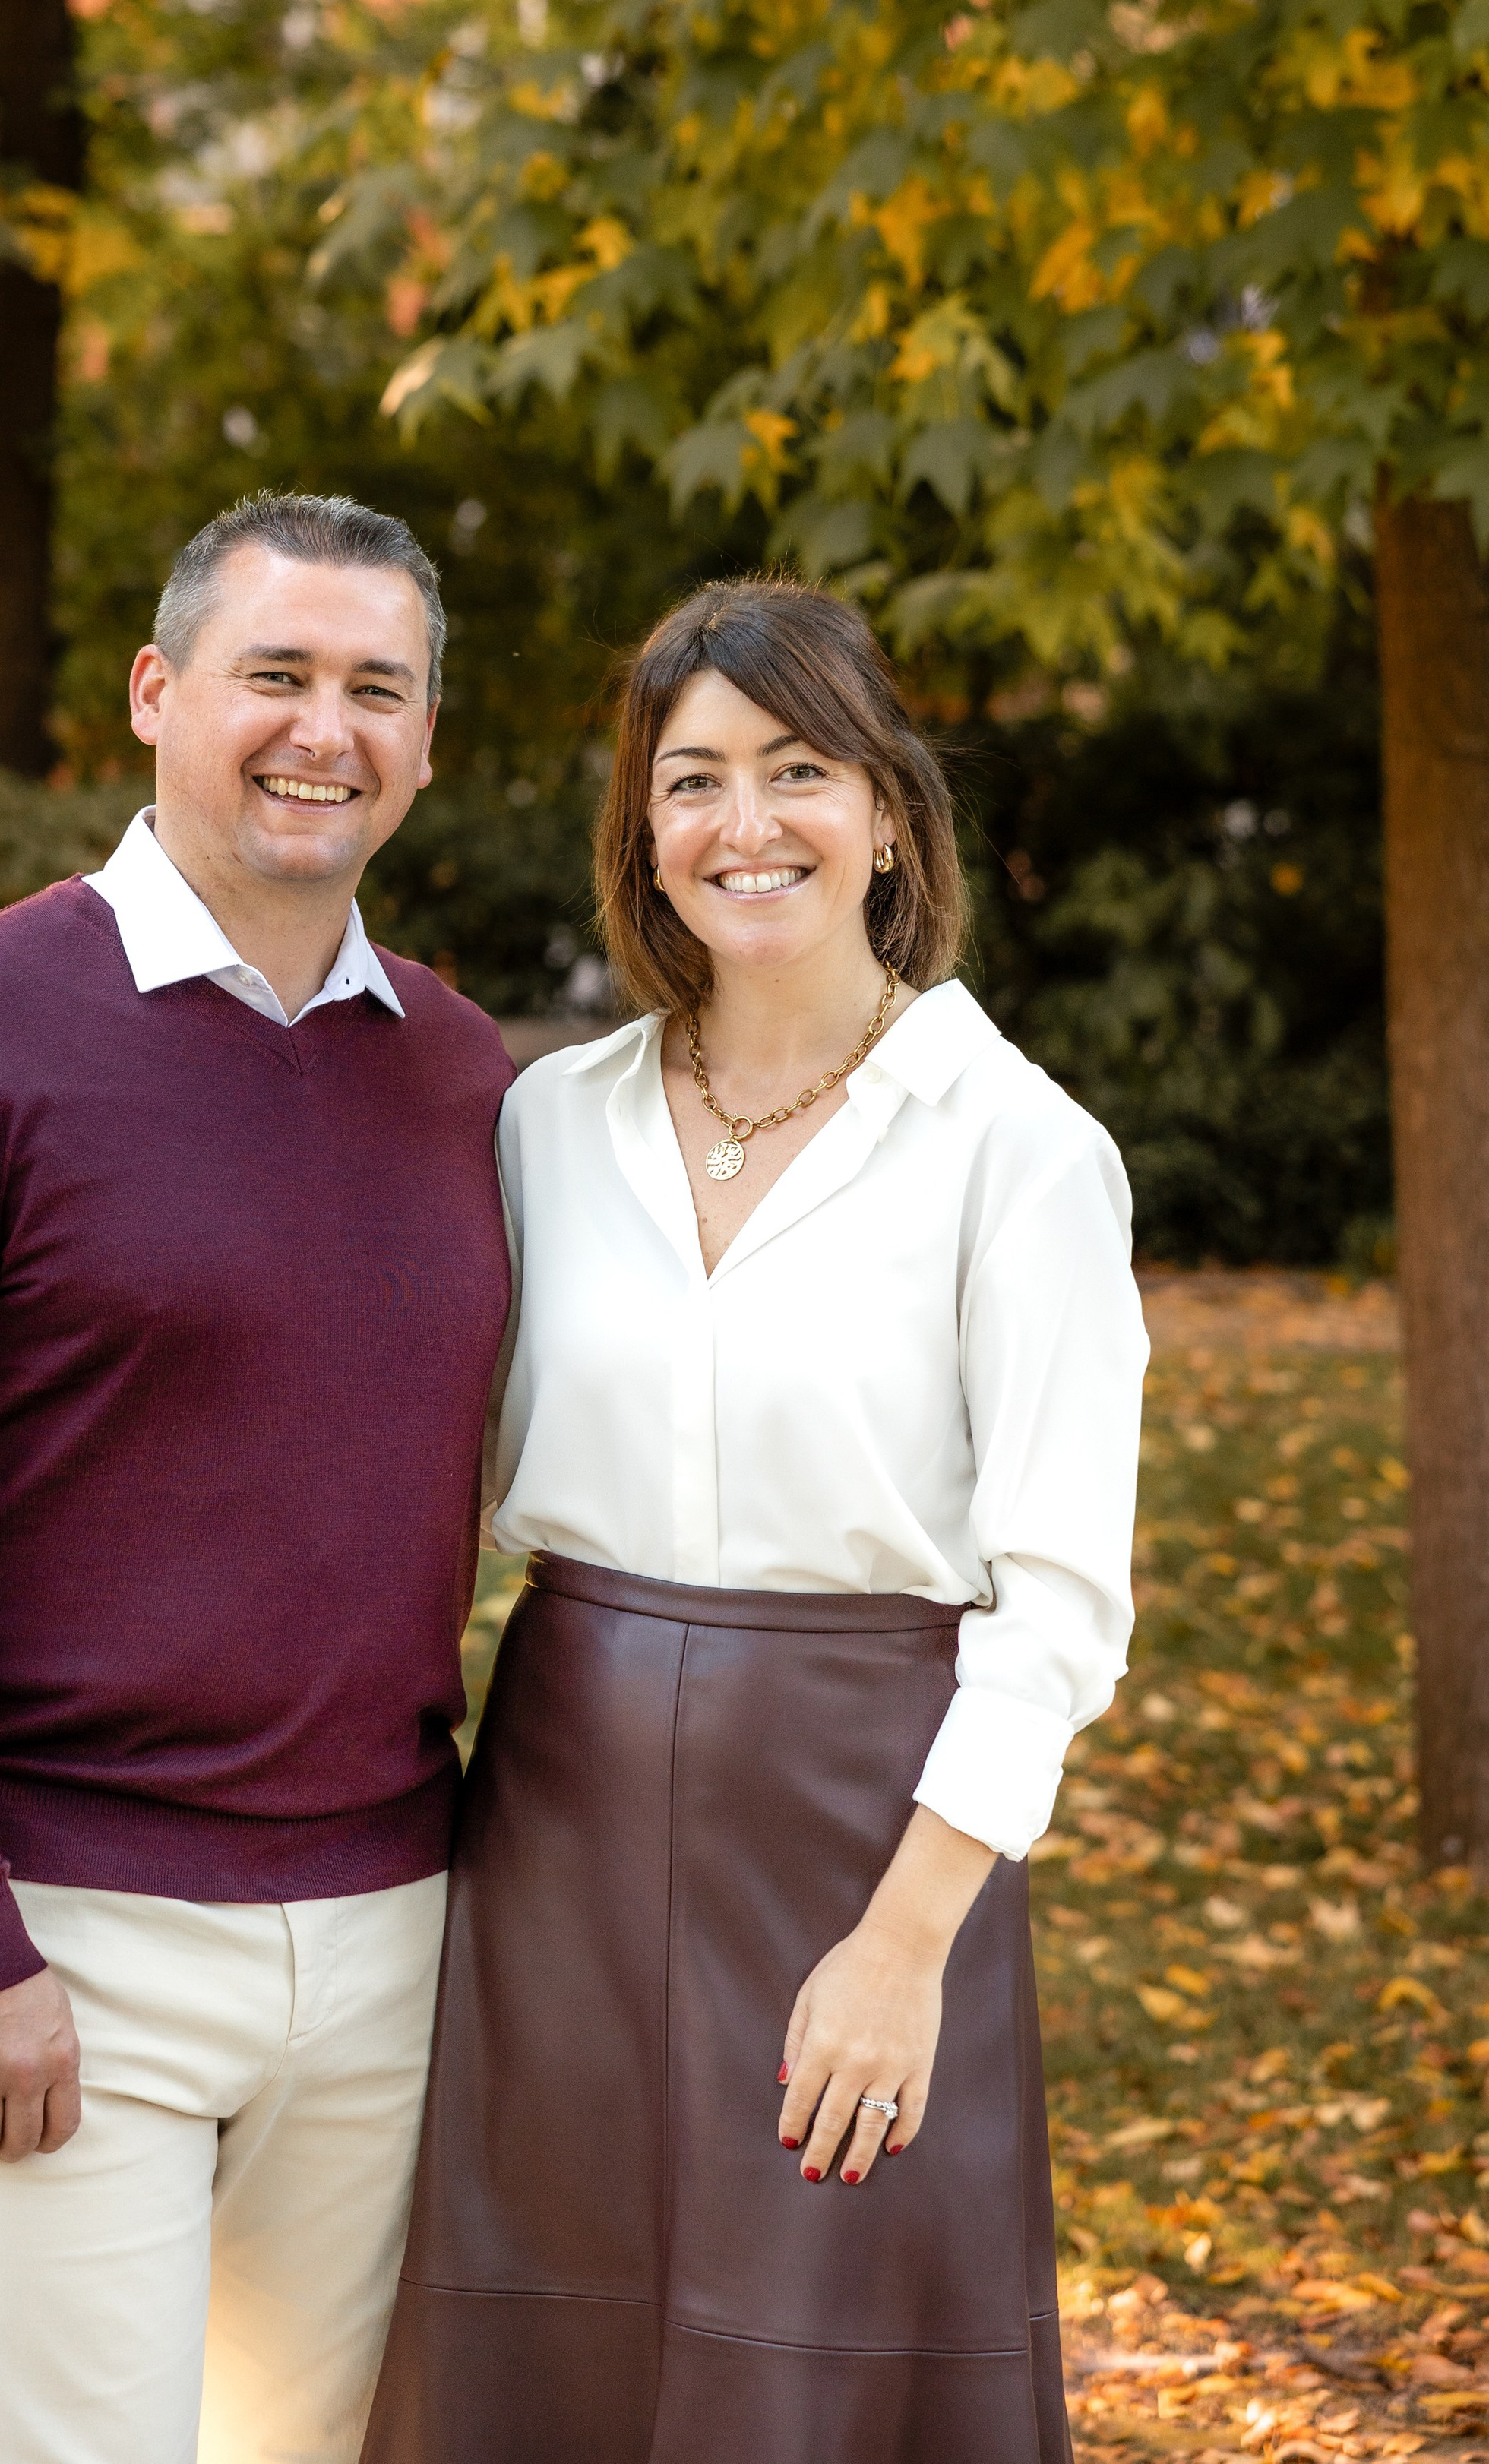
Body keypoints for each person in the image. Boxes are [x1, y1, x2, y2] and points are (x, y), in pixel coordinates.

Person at [0, 492, 514, 2464]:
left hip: (391, 1937)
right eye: (275, 675)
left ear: (429, 740)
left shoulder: (472, 1082)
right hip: (61, 1933)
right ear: (158, 694)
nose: (321, 730)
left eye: (376, 688)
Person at [362, 577, 1148, 2464]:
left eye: (798, 770)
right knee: (538, 2333)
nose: (746, 824)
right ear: (644, 826)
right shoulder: (548, 1122)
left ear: (886, 811)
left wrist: (903, 1948)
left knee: (818, 2351)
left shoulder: (1017, 1149)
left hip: (859, 1828)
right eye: (693, 778)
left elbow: (1053, 1611)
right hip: (553, 1814)